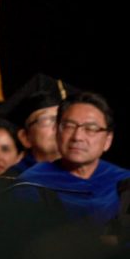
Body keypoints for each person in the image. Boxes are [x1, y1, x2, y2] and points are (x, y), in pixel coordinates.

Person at [13, 91, 130, 227]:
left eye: (90, 128)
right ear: (57, 132)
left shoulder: (124, 181)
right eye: (69, 126)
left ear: (108, 140)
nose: (77, 137)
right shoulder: (31, 184)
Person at [0, 73, 73, 173]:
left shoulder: (88, 175)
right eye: (45, 120)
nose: (57, 126)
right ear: (25, 138)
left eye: (61, 118)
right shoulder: (12, 182)